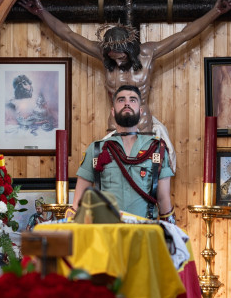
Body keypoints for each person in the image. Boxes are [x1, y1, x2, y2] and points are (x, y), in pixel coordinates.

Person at [18, 0, 231, 169]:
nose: (116, 60)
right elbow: (67, 34)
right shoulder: (102, 53)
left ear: (130, 50)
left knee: (148, 180)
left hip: (144, 127)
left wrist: (215, 12)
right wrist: (41, 12)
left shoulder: (147, 53)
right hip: (114, 127)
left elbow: (184, 35)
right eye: (112, 56)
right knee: (113, 178)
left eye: (121, 55)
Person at [73, 85, 173, 220]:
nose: (127, 103)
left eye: (133, 100)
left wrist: (172, 236)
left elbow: (163, 200)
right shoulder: (96, 150)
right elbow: (78, 203)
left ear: (140, 110)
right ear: (113, 112)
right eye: (121, 100)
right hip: (107, 231)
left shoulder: (156, 148)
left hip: (144, 231)